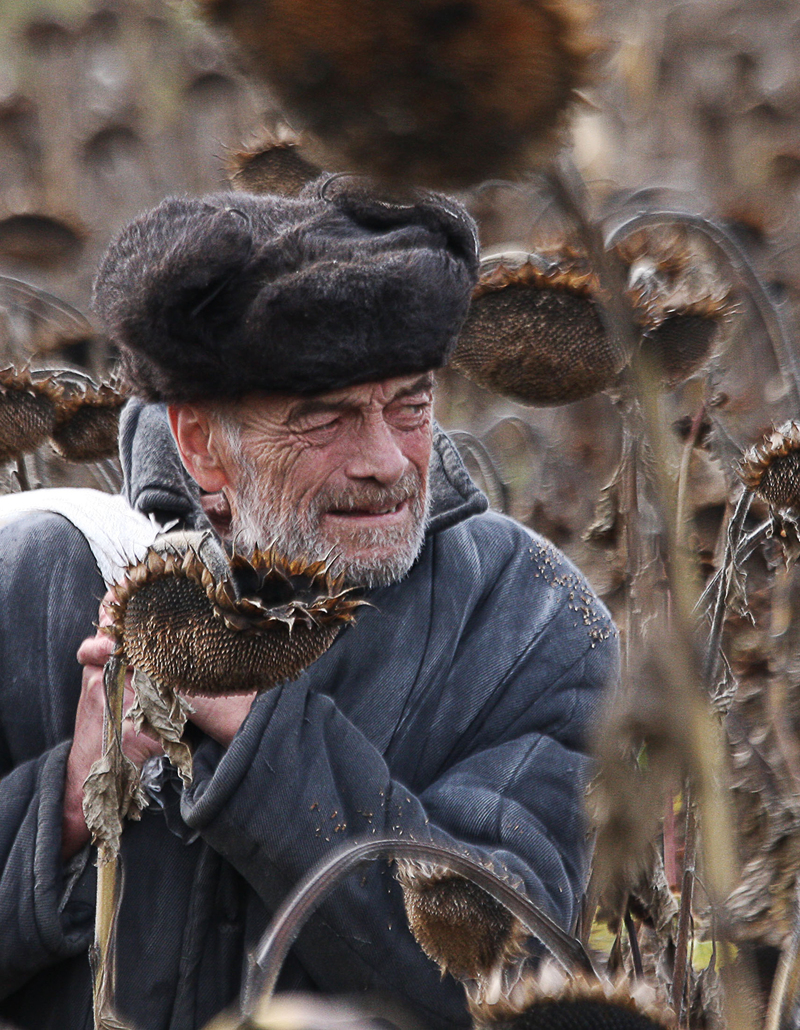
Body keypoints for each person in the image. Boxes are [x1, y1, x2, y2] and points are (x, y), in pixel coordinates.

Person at [0, 183, 617, 1030]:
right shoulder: (43, 579)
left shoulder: (531, 624)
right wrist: (69, 803)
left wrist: (255, 724)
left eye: (410, 406)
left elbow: (503, 982)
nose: (388, 464)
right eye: (325, 419)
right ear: (199, 442)